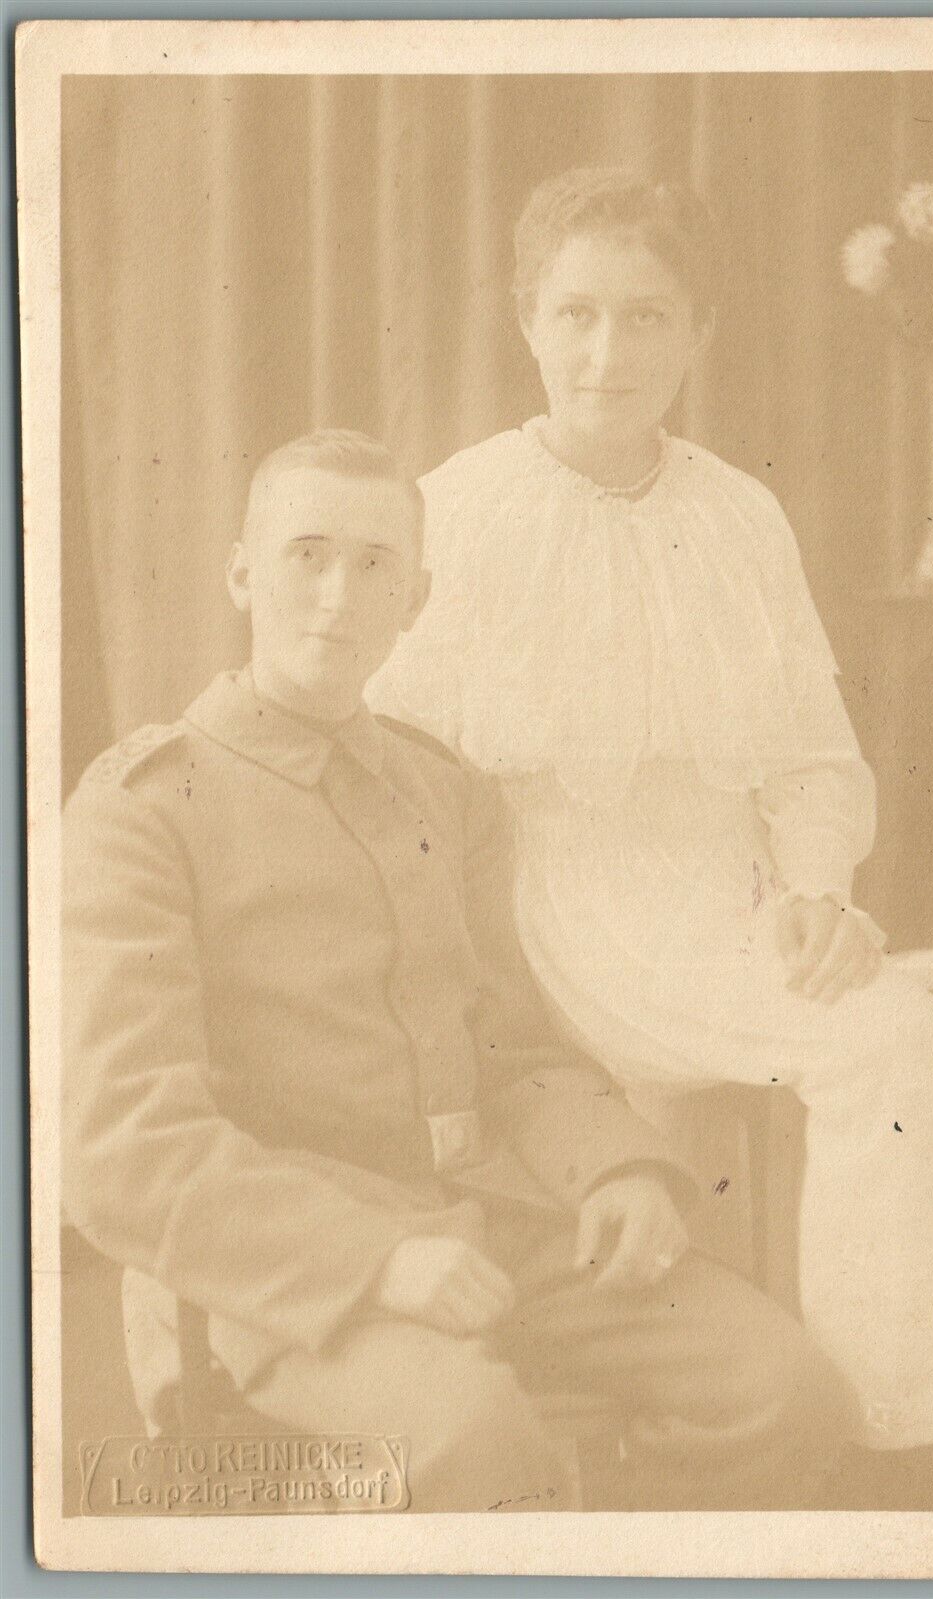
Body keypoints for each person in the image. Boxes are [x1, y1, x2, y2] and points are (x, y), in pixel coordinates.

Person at [62, 428, 856, 1514]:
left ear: (419, 597)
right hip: (283, 1274)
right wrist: (375, 1261)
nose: (340, 596)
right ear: (243, 571)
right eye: (307, 554)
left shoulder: (446, 793)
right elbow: (122, 1144)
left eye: (377, 564)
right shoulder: (141, 809)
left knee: (786, 1391)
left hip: (490, 1225)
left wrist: (615, 1168)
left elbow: (513, 1046)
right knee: (478, 1445)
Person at [367, 169, 933, 1497]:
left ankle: (912, 1436)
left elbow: (809, 756)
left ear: (698, 333)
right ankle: (889, 1459)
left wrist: (817, 886)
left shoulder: (736, 513)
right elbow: (388, 763)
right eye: (576, 312)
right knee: (897, 1038)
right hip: (557, 912)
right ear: (527, 319)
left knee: (919, 1034)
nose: (608, 352)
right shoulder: (460, 509)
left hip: (738, 897)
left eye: (647, 318)